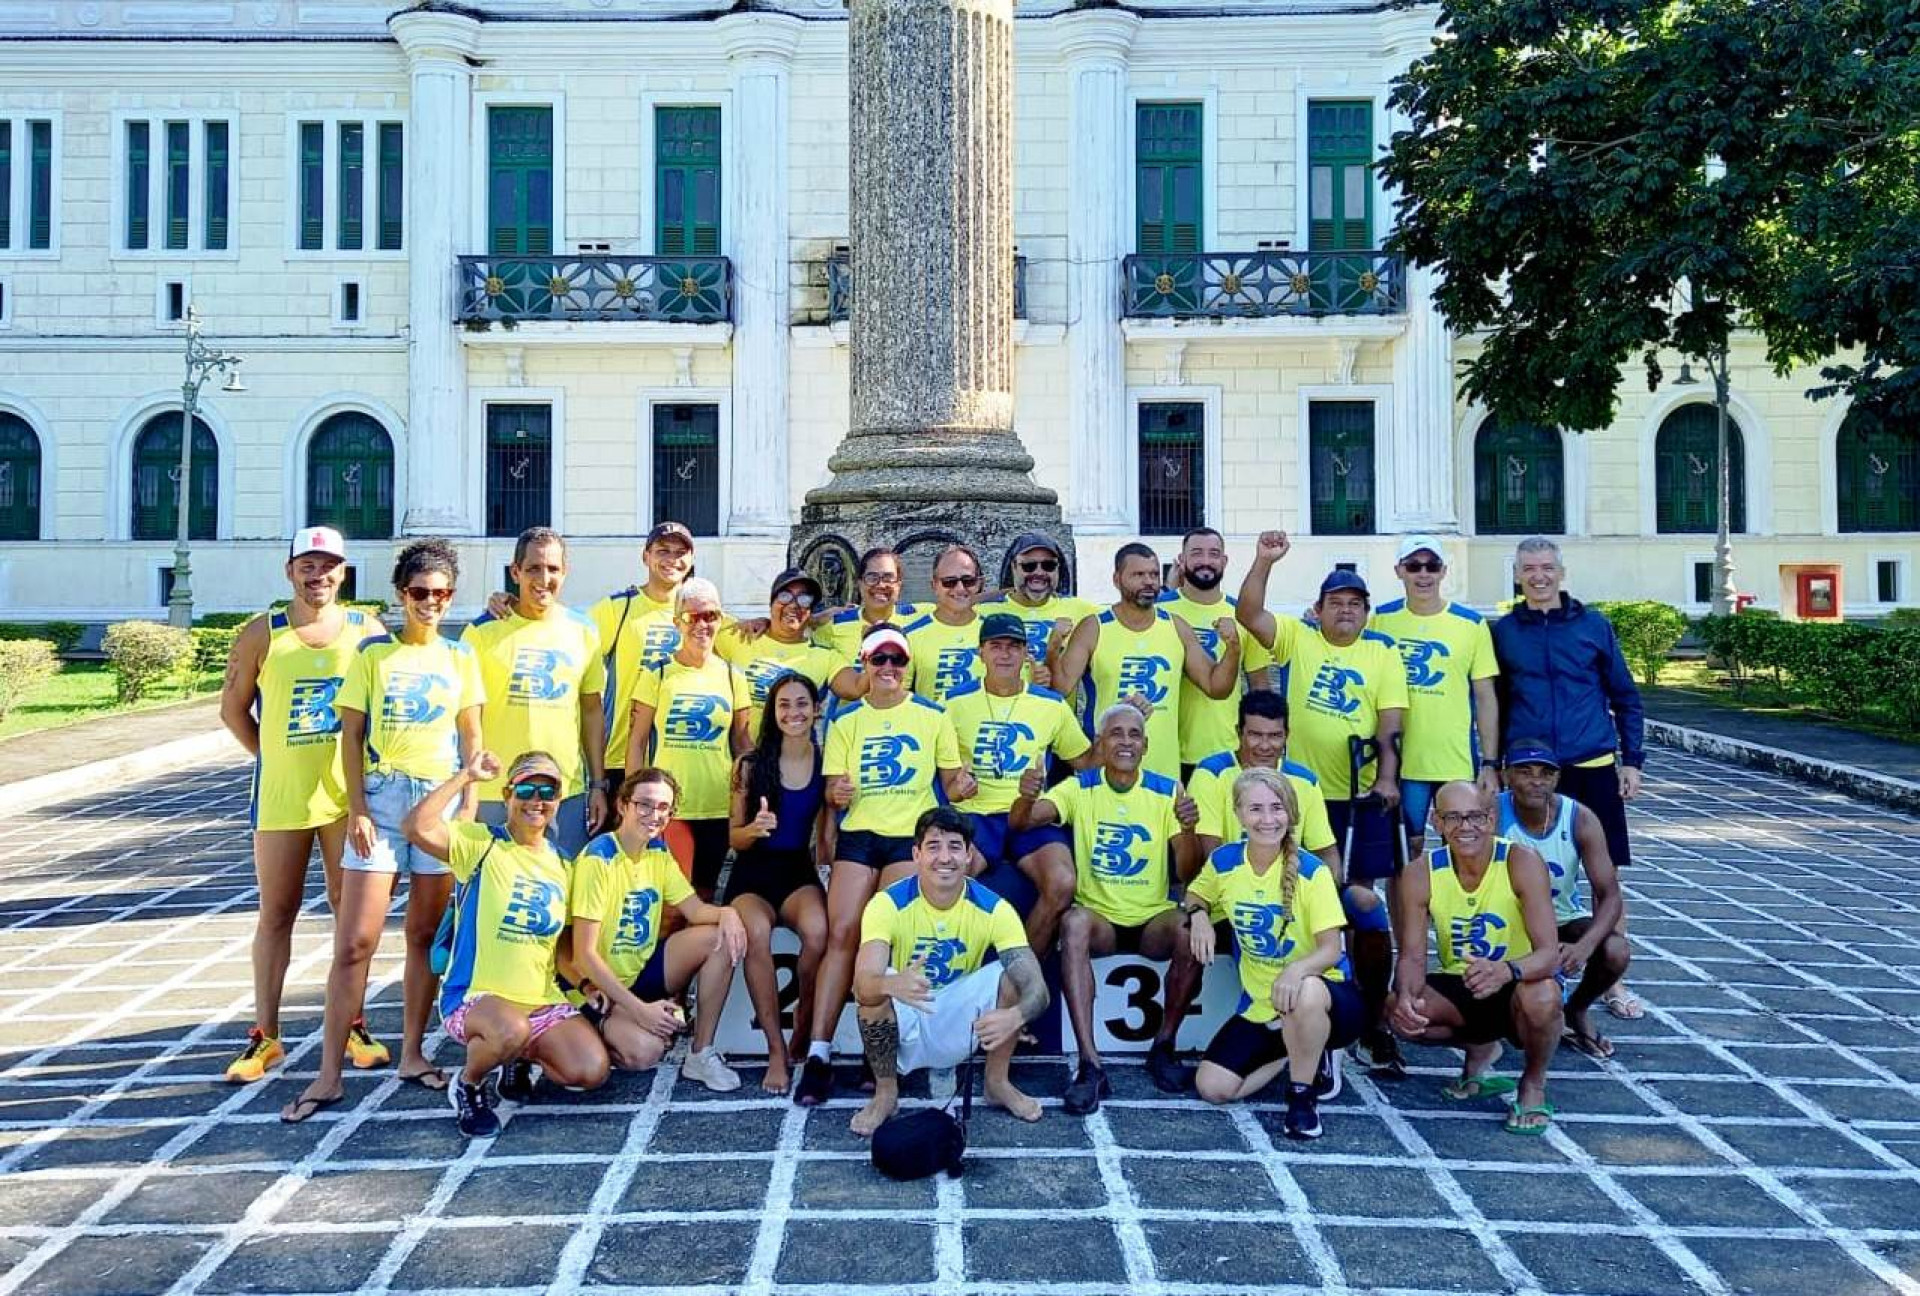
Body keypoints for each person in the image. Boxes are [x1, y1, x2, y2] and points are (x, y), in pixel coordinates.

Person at [282, 539, 484, 1121]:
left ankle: (413, 1054)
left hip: (438, 799)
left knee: (423, 936)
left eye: (441, 594)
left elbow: (473, 737)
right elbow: (350, 736)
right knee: (355, 942)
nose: (430, 603)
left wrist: (468, 808)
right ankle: (328, 1074)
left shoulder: (460, 657)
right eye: (420, 592)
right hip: (382, 796)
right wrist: (358, 810)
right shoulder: (373, 655)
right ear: (401, 594)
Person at [1236, 533, 1409, 1077]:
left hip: (1357, 799)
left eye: (1355, 603)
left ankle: (1369, 1016)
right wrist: (1264, 561)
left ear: (1366, 612)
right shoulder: (1300, 637)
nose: (1346, 611)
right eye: (1336, 602)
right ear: (1319, 608)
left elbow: (1391, 723)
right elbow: (1249, 613)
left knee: (1359, 904)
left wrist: (1387, 777)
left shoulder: (1382, 653)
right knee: (1296, 901)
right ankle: (1304, 1003)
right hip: (1296, 796)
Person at [218, 525, 381, 1084]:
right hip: (282, 799)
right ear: (290, 571)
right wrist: (272, 756)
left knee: (349, 913)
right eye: (307, 566)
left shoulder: (366, 631)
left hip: (346, 800)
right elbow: (234, 710)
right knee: (277, 912)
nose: (318, 576)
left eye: (329, 566)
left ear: (343, 572)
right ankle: (265, 1034)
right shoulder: (262, 632)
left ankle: (354, 1024)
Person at [795, 624, 976, 1106]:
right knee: (842, 934)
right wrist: (836, 795)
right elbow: (833, 790)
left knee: (890, 938)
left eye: (897, 659)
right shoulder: (846, 719)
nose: (889, 667)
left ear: (908, 664)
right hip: (860, 836)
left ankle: (881, 1052)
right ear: (865, 663)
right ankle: (819, 1053)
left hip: (908, 839)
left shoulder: (933, 715)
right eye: (880, 659)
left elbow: (951, 785)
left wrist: (965, 787)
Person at [403, 750, 611, 1138]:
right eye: (526, 790)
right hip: (476, 997)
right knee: (510, 1028)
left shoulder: (564, 864)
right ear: (508, 794)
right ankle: (468, 1084)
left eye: (548, 792)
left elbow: (561, 949)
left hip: (540, 1000)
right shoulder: (482, 844)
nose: (537, 801)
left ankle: (516, 1057)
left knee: (591, 1070)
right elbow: (416, 827)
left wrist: (585, 986)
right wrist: (466, 776)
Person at [1012, 702, 1200, 1109]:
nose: (1126, 742)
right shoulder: (1079, 786)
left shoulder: (1168, 789)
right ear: (1100, 743)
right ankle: (1090, 1064)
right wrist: (1025, 798)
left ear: (1146, 745)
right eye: (1116, 733)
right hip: (1101, 921)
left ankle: (1164, 1045)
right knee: (1074, 922)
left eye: (1134, 735)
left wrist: (1188, 831)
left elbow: (1188, 871)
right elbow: (1022, 823)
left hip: (1151, 919)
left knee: (1190, 929)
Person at [1493, 535, 1647, 1020]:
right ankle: (1521, 967)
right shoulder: (1503, 632)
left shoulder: (1593, 626)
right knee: (1516, 869)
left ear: (1561, 573)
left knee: (1606, 874)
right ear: (1516, 575)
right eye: (1529, 568)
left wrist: (1632, 760)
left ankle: (1613, 983)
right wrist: (1491, 763)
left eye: (1547, 568)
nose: (1538, 576)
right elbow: (1494, 702)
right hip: (1528, 768)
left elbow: (1625, 696)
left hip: (1591, 762)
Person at [851, 807, 1051, 1135]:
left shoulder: (995, 909)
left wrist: (1015, 1017)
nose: (944, 857)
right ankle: (886, 1094)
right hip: (909, 1012)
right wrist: (891, 983)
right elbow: (861, 986)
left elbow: (1037, 990)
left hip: (962, 1017)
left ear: (969, 855)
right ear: (916, 855)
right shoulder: (886, 904)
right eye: (933, 846)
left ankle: (997, 1083)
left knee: (1011, 978)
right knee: (873, 994)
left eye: (955, 847)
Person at [1185, 769, 1360, 1138]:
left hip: (1328, 998)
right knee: (1213, 1088)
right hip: (1265, 1005)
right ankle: (1297, 1049)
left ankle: (1302, 1095)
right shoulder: (1225, 862)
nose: (1267, 819)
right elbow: (1196, 893)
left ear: (1291, 813)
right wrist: (1199, 916)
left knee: (1305, 991)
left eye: (1277, 808)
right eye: (1256, 809)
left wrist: (1295, 971)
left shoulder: (1312, 873)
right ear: (1238, 814)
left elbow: (1332, 950)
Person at [1388, 781, 1563, 1135]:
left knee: (1544, 996)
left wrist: (1506, 970)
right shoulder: (1420, 872)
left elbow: (1549, 955)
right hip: (1461, 980)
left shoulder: (1521, 861)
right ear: (1437, 822)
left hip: (1518, 981)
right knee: (1398, 1010)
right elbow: (1412, 956)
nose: (1465, 827)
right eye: (1453, 818)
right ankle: (1480, 1048)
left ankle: (1533, 1083)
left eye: (1475, 817)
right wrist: (1405, 995)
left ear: (1492, 819)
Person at [563, 767, 749, 1093]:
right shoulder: (599, 859)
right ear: (623, 805)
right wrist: (640, 1012)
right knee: (644, 1052)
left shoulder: (657, 852)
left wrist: (728, 913)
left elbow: (695, 910)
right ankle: (594, 1031)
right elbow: (584, 955)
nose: (654, 814)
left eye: (663, 807)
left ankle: (700, 1053)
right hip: (599, 986)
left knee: (718, 938)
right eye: (644, 804)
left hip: (641, 971)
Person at [945, 612, 1097, 952]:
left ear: (1026, 653)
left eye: (1014, 646)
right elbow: (944, 778)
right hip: (977, 815)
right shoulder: (953, 703)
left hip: (1029, 815)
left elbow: (1085, 762)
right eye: (996, 646)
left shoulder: (1050, 704)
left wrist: (1120, 727)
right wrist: (959, 785)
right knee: (948, 878)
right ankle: (963, 971)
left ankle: (1021, 970)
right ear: (981, 652)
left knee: (1062, 883)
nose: (1005, 654)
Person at [462, 527, 607, 855]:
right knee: (494, 882)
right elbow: (469, 720)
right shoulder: (481, 632)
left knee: (561, 881)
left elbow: (591, 711)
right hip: (496, 791)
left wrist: (598, 785)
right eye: (533, 568)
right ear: (515, 572)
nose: (544, 578)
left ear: (565, 572)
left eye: (553, 568)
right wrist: (469, 791)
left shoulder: (583, 631)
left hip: (564, 792)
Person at [1052, 542, 1240, 783]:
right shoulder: (1094, 627)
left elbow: (1216, 688)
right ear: (1117, 579)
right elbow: (1060, 689)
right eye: (1138, 575)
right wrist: (1053, 648)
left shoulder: (1176, 626)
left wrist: (1233, 648)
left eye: (1153, 574)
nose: (1149, 581)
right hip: (1105, 774)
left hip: (1164, 776)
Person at [726, 673, 833, 1093]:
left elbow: (826, 834)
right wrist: (755, 829)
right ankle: (775, 1049)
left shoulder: (826, 762)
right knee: (755, 933)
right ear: (772, 712)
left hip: (796, 870)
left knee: (819, 933)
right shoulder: (749, 764)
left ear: (816, 710)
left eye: (802, 703)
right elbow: (734, 839)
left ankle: (804, 1022)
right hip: (752, 873)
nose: (793, 713)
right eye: (784, 705)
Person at [1497, 741, 1631, 1060]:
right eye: (1524, 772)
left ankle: (1577, 1009)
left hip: (1561, 919)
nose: (1536, 781)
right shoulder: (1490, 813)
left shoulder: (1579, 818)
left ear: (1557, 778)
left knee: (1616, 950)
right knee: (1522, 1025)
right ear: (1506, 776)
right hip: (1507, 923)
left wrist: (1584, 946)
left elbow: (1609, 894)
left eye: (1546, 773)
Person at [625, 577, 752, 899]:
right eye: (692, 616)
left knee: (705, 896)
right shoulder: (657, 672)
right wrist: (632, 801)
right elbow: (637, 741)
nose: (701, 624)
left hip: (716, 808)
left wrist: (749, 798)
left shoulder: (733, 676)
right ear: (677, 622)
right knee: (671, 903)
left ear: (720, 619)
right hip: (668, 808)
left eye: (710, 615)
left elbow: (742, 745)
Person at [1371, 535, 1501, 849]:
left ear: (1443, 571)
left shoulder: (1471, 624)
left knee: (1460, 846)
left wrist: (1490, 763)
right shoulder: (1380, 619)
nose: (1423, 574)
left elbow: (1485, 698)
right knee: (1406, 848)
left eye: (1432, 566)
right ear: (1399, 571)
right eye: (1414, 566)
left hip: (1455, 761)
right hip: (1402, 761)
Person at [1157, 527, 1274, 776]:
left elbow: (1260, 686)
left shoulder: (1242, 615)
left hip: (1224, 750)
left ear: (1224, 561)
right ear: (1182, 560)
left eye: (1214, 554)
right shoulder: (1158, 611)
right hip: (1163, 751)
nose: (1206, 561)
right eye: (1197, 553)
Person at [1189, 691, 1341, 879]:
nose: (1265, 746)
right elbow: (1211, 858)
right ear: (1239, 733)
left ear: (1287, 735)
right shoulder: (1211, 774)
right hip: (1229, 886)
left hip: (1289, 887)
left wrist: (1328, 888)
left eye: (1275, 736)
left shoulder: (1305, 781)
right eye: (1255, 735)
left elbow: (1326, 852)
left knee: (1361, 896)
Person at [717, 568, 845, 729]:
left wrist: (817, 620)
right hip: (742, 744)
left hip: (795, 745)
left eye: (804, 599)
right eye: (785, 596)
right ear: (771, 603)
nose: (793, 604)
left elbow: (856, 687)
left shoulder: (824, 657)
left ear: (810, 611)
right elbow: (694, 619)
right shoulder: (741, 636)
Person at [981, 531, 1094, 666]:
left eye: (1048, 566)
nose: (1039, 572)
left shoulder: (1086, 613)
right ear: (1014, 567)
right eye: (1029, 566)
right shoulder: (982, 614)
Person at [899, 544, 994, 703]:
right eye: (949, 582)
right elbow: (898, 697)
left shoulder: (994, 633)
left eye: (968, 581)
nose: (960, 588)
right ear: (934, 586)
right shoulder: (910, 635)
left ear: (979, 583)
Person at [816, 546, 920, 664]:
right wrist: (814, 619)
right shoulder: (834, 625)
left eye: (888, 577)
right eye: (872, 577)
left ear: (899, 584)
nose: (881, 585)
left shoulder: (919, 618)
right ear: (860, 583)